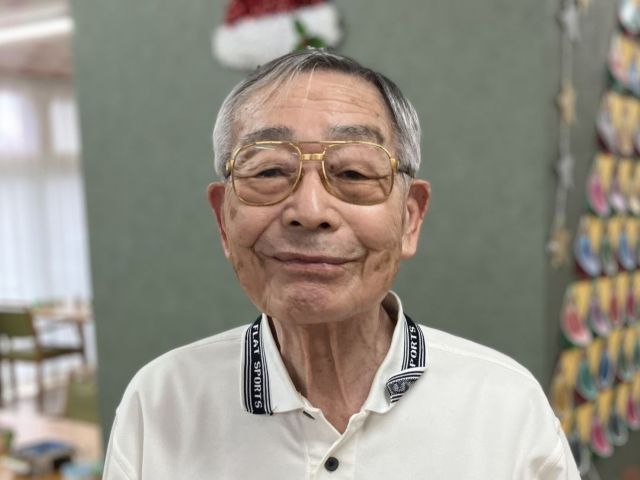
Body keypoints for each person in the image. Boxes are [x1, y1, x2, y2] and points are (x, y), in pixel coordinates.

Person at [103, 49, 580, 479]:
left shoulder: (506, 407)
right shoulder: (161, 404)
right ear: (223, 220)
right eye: (269, 170)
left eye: (353, 172)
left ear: (410, 218)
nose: (310, 211)